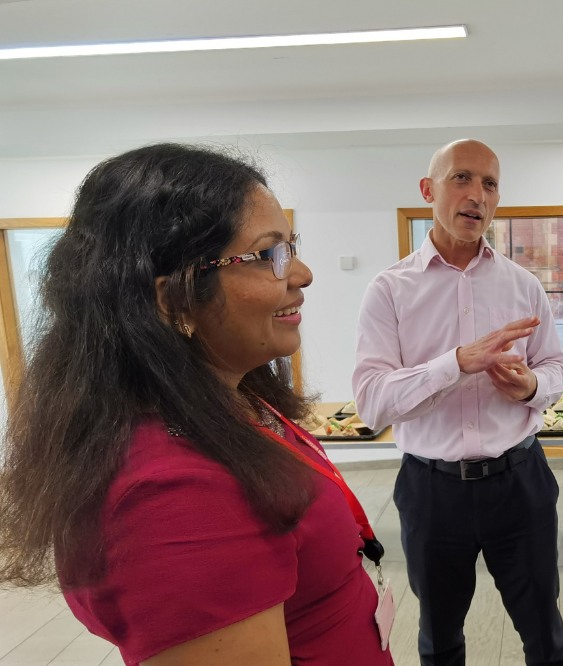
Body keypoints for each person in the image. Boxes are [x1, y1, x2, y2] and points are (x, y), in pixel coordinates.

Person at [0, 143, 393, 666]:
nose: (302, 274)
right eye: (268, 254)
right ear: (173, 299)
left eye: (291, 246)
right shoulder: (172, 496)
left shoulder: (227, 402)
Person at [353, 139, 563, 666]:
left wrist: (529, 389)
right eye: (462, 178)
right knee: (440, 637)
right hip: (433, 491)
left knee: (545, 631)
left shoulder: (523, 286)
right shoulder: (390, 290)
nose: (477, 195)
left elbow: (554, 369)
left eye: (490, 184)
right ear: (429, 190)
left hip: (520, 482)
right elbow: (371, 403)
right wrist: (456, 363)